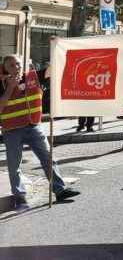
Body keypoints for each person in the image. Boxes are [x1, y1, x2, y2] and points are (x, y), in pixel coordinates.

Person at [0, 54, 80, 209]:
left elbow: (52, 69)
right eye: (11, 65)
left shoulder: (33, 76)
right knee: (14, 165)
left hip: (34, 126)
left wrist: (54, 47)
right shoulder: (2, 83)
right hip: (11, 130)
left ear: (22, 64)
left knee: (48, 158)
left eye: (17, 64)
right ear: (5, 68)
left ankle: (60, 189)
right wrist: (10, 88)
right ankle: (20, 197)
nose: (15, 67)